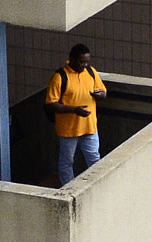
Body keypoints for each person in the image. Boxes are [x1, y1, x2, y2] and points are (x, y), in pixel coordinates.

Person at [46, 43, 107, 188]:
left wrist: (101, 95)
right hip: (69, 129)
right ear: (72, 59)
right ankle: (68, 188)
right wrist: (74, 110)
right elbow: (51, 103)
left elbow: (103, 91)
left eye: (87, 62)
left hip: (89, 126)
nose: (85, 65)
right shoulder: (60, 77)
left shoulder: (91, 72)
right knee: (67, 161)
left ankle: (97, 186)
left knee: (94, 158)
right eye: (81, 61)